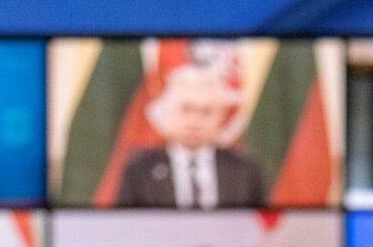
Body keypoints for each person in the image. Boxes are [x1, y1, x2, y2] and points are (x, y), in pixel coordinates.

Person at [114, 63, 268, 208]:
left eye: (206, 112)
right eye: (186, 109)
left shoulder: (246, 170)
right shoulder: (139, 170)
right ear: (168, 112)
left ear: (221, 118)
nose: (195, 121)